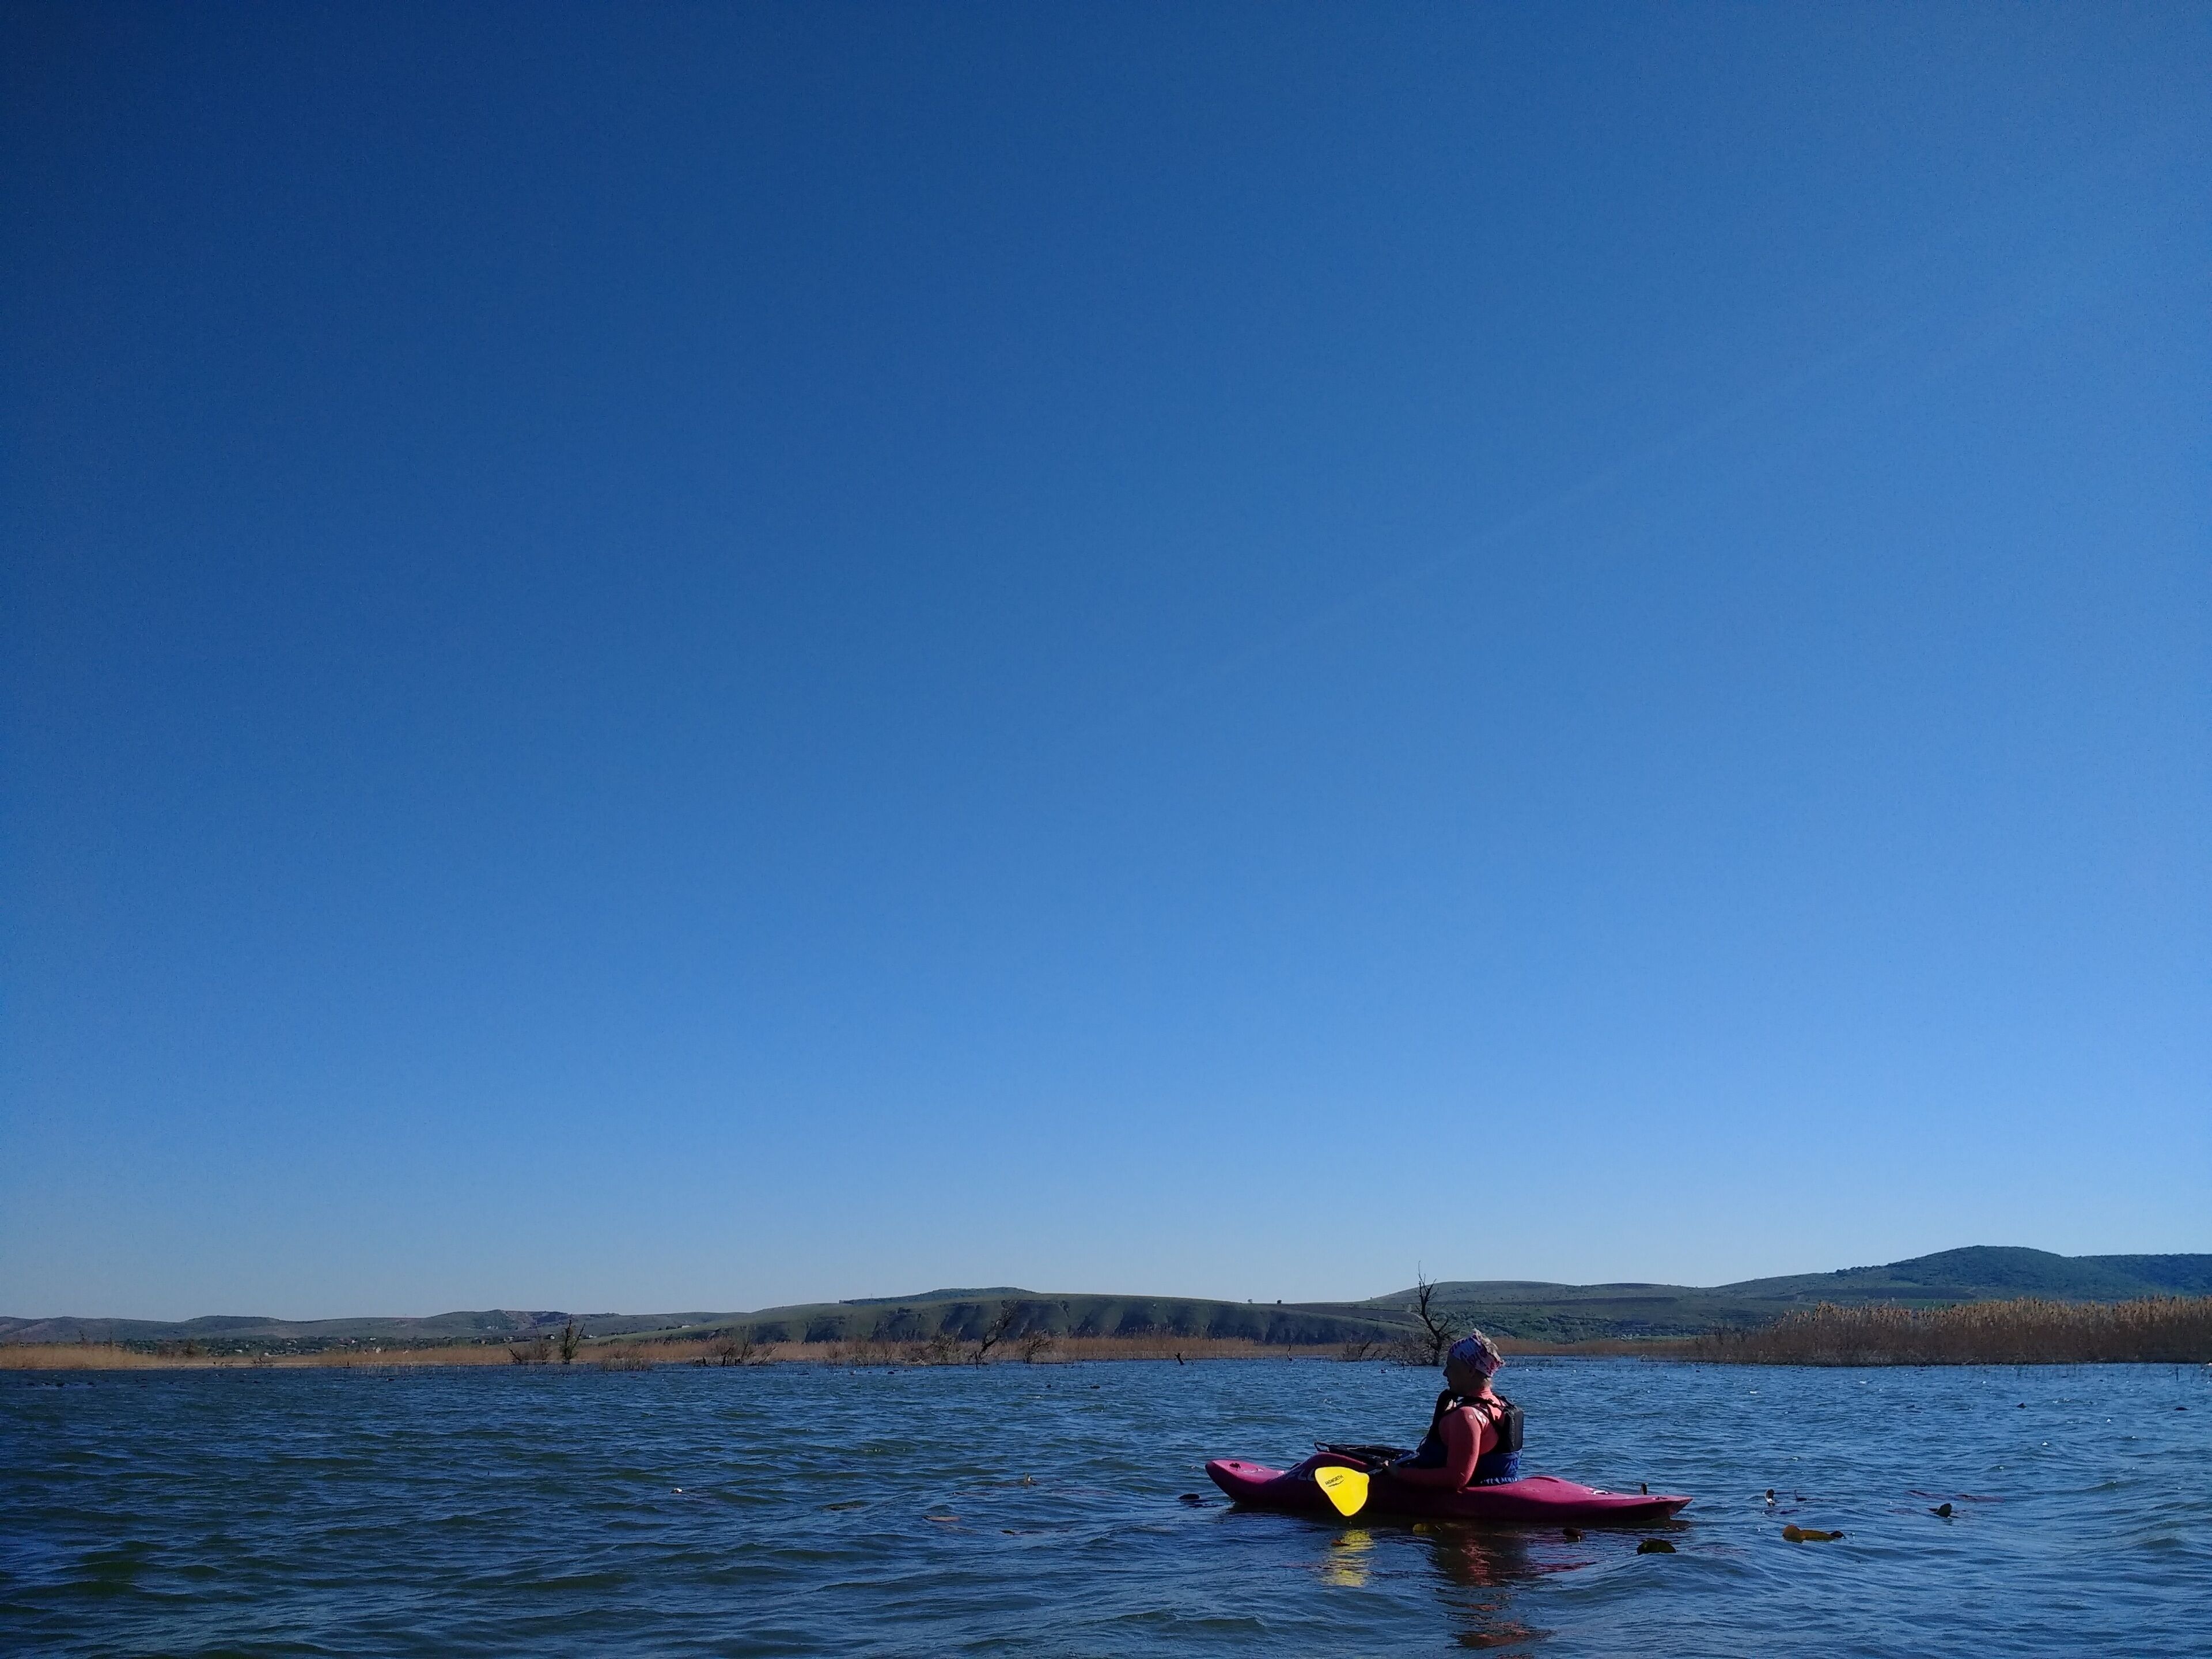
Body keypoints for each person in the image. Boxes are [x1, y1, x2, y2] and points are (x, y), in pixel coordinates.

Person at [1373, 1331, 1522, 1492]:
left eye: (1451, 1366)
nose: (1445, 1373)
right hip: (1497, 1482)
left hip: (1467, 1496)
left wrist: (1399, 1473)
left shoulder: (1467, 1416)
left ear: (1471, 1371)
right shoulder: (1499, 1405)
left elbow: (1456, 1479)